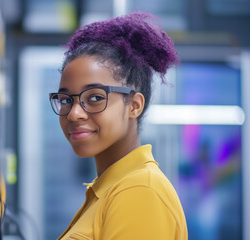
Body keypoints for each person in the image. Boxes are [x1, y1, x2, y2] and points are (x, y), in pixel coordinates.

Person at [49, 12, 187, 240]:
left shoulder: (140, 190)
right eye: (66, 100)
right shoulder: (113, 187)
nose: (74, 113)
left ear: (134, 105)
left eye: (94, 98)